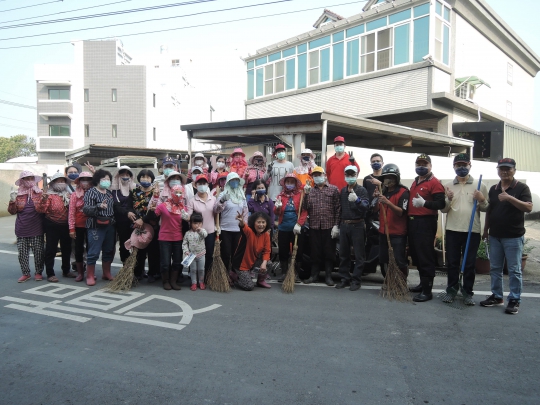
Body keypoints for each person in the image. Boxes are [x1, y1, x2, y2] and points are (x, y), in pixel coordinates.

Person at [480, 158, 533, 314]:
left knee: (514, 269)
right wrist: (485, 230)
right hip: (495, 235)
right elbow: (489, 211)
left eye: (508, 169)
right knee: (495, 268)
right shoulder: (494, 189)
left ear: (514, 170)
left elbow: (528, 207)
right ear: (498, 170)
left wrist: (509, 198)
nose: (504, 172)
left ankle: (514, 299)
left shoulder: (521, 188)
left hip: (513, 236)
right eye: (501, 169)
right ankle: (497, 296)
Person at [440, 154, 489, 305]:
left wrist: (481, 199)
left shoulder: (480, 185)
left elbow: (486, 208)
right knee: (453, 263)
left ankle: (467, 293)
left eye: (464, 165)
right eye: (458, 165)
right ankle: (451, 291)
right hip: (452, 229)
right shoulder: (447, 185)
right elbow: (443, 210)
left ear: (470, 166)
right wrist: (448, 199)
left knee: (469, 264)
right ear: (453, 166)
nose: (461, 168)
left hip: (472, 230)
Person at [407, 154, 446, 302]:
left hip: (425, 222)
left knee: (425, 255)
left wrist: (425, 203)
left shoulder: (435, 183)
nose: (421, 167)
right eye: (419, 164)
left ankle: (427, 290)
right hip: (413, 222)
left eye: (424, 164)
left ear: (430, 166)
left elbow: (441, 204)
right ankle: (422, 284)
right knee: (416, 255)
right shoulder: (415, 181)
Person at [302, 166, 340, 286]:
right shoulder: (310, 191)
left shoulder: (333, 189)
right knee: (315, 252)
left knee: (329, 252)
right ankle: (314, 276)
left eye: (319, 175)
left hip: (329, 226)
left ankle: (328, 276)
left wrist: (336, 225)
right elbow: (305, 207)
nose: (317, 177)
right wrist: (306, 194)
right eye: (315, 175)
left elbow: (338, 209)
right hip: (314, 226)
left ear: (325, 175)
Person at [372, 164, 410, 282]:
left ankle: (401, 283)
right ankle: (388, 282)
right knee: (383, 259)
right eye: (386, 177)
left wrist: (388, 202)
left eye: (391, 177)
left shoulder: (403, 192)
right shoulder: (383, 191)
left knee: (399, 260)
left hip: (397, 234)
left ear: (396, 178)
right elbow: (375, 210)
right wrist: (376, 198)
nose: (389, 180)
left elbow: (401, 212)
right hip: (383, 232)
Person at [336, 166, 370, 290]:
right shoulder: (343, 191)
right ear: (345, 176)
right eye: (348, 175)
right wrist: (336, 225)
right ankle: (344, 278)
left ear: (356, 175)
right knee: (343, 254)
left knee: (359, 255)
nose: (350, 177)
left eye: (352, 175)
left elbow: (366, 206)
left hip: (357, 225)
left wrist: (357, 200)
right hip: (344, 224)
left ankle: (356, 280)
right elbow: (339, 209)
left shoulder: (362, 190)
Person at [8, 171, 45, 283]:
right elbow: (12, 211)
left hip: (37, 227)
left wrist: (44, 200)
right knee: (23, 253)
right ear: (22, 181)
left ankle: (38, 272)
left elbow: (44, 210)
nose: (29, 181)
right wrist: (12, 201)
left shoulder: (39, 193)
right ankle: (26, 273)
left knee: (38, 252)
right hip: (22, 228)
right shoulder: (17, 194)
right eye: (27, 179)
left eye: (31, 178)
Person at [36, 172, 73, 282]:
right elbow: (41, 210)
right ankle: (50, 273)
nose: (61, 183)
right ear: (53, 183)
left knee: (67, 249)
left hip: (66, 225)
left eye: (62, 181)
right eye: (58, 181)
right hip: (52, 225)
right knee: (51, 250)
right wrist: (43, 200)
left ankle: (66, 270)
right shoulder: (48, 195)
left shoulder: (69, 194)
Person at [83, 169, 116, 286]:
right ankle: (90, 275)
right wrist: (98, 206)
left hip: (109, 225)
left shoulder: (109, 193)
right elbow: (86, 209)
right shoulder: (91, 192)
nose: (106, 181)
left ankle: (106, 273)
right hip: (95, 226)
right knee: (94, 251)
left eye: (108, 179)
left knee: (109, 250)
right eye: (104, 179)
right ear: (97, 180)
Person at [274, 173, 308, 282]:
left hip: (296, 228)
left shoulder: (301, 195)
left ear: (295, 183)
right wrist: (277, 207)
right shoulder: (280, 196)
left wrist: (299, 224)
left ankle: (295, 274)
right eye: (288, 182)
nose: (289, 184)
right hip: (283, 228)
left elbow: (304, 211)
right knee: (283, 251)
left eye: (292, 182)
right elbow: (276, 213)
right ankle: (284, 273)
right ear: (285, 183)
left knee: (298, 251)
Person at [151, 184, 185, 291]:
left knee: (177, 261)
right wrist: (154, 201)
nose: (178, 194)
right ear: (171, 192)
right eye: (176, 192)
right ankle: (165, 281)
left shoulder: (183, 207)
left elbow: (186, 221)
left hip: (178, 238)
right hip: (164, 238)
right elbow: (153, 215)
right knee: (165, 262)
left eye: (180, 192)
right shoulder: (163, 206)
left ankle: (173, 281)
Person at [214, 172, 249, 275]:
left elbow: (245, 212)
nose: (235, 182)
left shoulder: (242, 196)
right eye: (232, 180)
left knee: (236, 253)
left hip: (238, 229)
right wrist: (221, 201)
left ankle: (234, 274)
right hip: (225, 229)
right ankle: (224, 274)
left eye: (236, 180)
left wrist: (245, 226)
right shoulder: (223, 194)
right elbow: (216, 210)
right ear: (228, 182)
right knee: (226, 253)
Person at [131, 169, 161, 282]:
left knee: (153, 250)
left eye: (148, 177)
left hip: (153, 225)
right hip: (138, 225)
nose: (145, 179)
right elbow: (129, 206)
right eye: (143, 177)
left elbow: (157, 209)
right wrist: (133, 216)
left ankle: (153, 272)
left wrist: (143, 219)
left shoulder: (156, 193)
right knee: (139, 250)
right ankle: (139, 272)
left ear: (152, 179)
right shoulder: (134, 192)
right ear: (139, 178)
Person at [186, 174, 217, 279]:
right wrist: (186, 217)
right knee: (194, 254)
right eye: (200, 183)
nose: (202, 185)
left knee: (209, 255)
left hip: (210, 232)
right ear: (195, 185)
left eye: (204, 183)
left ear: (207, 185)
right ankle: (193, 276)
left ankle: (206, 276)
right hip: (196, 233)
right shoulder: (192, 201)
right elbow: (189, 216)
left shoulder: (213, 199)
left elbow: (217, 213)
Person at [234, 211, 273, 290]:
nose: (261, 225)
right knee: (249, 286)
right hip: (241, 264)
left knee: (268, 263)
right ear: (253, 223)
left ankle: (260, 281)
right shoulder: (249, 232)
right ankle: (235, 277)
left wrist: (264, 263)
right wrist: (241, 221)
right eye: (258, 222)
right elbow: (244, 227)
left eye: (263, 222)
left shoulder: (266, 235)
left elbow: (267, 251)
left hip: (253, 262)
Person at [68, 171, 93, 282]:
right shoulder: (75, 195)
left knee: (91, 249)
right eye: (83, 180)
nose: (85, 182)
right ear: (79, 181)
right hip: (79, 226)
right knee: (78, 249)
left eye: (88, 180)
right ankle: (80, 273)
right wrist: (71, 228)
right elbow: (71, 213)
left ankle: (90, 273)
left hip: (92, 225)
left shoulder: (94, 193)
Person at [111, 166, 137, 265]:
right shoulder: (115, 190)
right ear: (118, 176)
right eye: (122, 174)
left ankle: (137, 268)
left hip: (134, 221)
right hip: (121, 222)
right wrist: (127, 213)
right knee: (124, 244)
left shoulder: (135, 189)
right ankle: (126, 266)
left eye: (127, 174)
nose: (125, 176)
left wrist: (132, 214)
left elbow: (136, 203)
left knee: (136, 244)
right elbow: (116, 206)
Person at [182, 212, 208, 291]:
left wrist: (200, 231)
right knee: (193, 270)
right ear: (191, 223)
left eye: (199, 223)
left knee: (201, 269)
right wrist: (186, 251)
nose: (197, 225)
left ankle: (201, 282)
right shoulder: (187, 233)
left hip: (201, 254)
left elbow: (205, 235)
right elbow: (184, 243)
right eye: (195, 223)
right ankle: (194, 282)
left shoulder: (202, 231)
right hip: (191, 255)